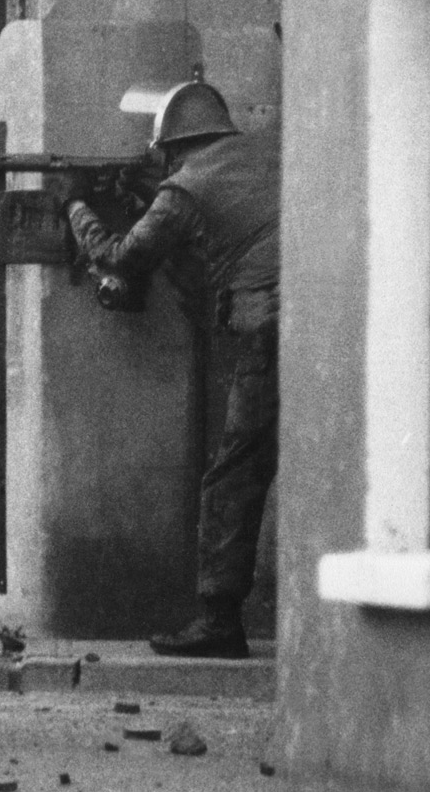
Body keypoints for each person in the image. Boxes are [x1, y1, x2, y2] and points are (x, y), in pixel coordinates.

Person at [65, 81, 280, 659]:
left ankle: (218, 619)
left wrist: (76, 207)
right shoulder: (269, 150)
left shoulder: (183, 188)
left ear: (171, 146)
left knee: (234, 475)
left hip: (269, 331)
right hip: (322, 326)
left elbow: (119, 256)